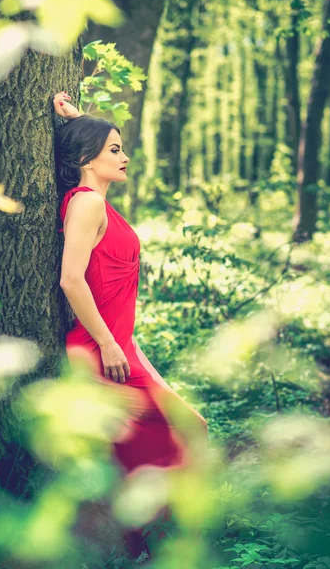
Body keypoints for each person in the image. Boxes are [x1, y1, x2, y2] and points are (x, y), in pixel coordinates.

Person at [53, 91, 207, 556]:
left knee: (176, 433)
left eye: (121, 147)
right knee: (183, 433)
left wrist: (82, 120)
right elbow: (71, 280)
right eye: (114, 150)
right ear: (85, 157)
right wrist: (110, 345)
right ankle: (141, 544)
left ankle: (139, 542)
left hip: (121, 346)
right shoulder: (88, 204)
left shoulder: (96, 201)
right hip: (102, 351)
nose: (124, 156)